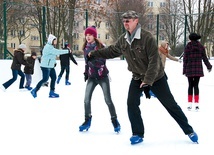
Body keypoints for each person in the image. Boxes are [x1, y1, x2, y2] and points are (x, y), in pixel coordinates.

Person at [88, 10, 198, 144]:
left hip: (156, 78)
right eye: (124, 21)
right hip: (137, 77)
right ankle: (137, 134)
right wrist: (95, 54)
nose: (125, 23)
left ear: (136, 21)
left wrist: (148, 81)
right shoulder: (124, 39)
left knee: (170, 105)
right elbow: (112, 51)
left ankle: (189, 130)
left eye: (128, 21)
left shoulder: (147, 38)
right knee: (131, 103)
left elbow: (154, 62)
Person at [79, 26, 121, 133]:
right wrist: (85, 72)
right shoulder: (86, 48)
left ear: (94, 36)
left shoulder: (101, 47)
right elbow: (86, 62)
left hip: (102, 77)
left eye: (90, 35)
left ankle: (114, 120)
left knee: (108, 100)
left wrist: (92, 59)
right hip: (92, 77)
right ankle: (87, 120)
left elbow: (102, 61)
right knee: (86, 99)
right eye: (86, 35)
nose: (88, 37)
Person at [30, 34, 71, 98]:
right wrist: (67, 51)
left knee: (54, 78)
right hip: (45, 66)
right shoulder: (48, 47)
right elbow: (57, 52)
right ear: (51, 40)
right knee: (45, 79)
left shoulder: (51, 47)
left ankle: (52, 92)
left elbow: (52, 56)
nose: (56, 42)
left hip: (50, 66)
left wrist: (54, 62)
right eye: (55, 40)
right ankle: (35, 90)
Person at [183, 32, 212, 111]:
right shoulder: (201, 47)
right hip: (198, 68)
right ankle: (196, 104)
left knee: (190, 86)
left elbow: (185, 59)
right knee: (196, 86)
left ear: (190, 38)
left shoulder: (188, 46)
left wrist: (184, 69)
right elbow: (205, 58)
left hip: (189, 68)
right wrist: (209, 66)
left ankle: (189, 104)